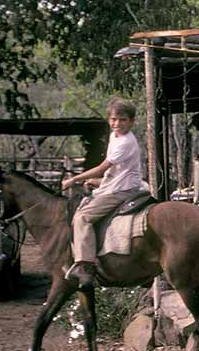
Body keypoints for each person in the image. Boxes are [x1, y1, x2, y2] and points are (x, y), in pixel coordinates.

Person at [61, 98, 144, 290]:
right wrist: (98, 182)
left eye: (122, 120)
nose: (117, 124)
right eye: (113, 119)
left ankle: (85, 266)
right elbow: (113, 171)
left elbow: (101, 168)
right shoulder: (115, 137)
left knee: (83, 217)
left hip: (123, 188)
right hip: (116, 183)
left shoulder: (125, 141)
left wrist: (73, 179)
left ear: (132, 122)